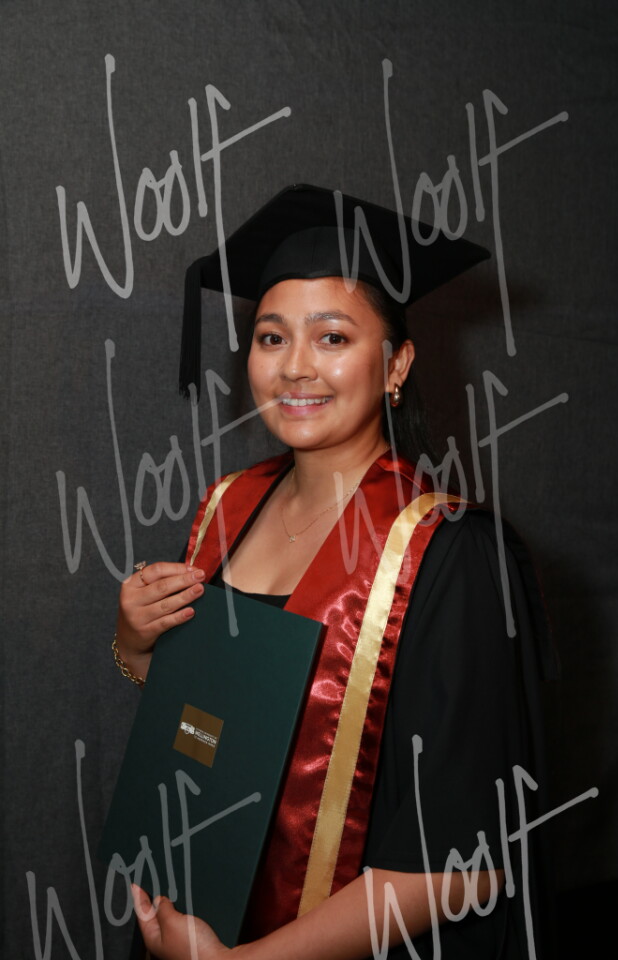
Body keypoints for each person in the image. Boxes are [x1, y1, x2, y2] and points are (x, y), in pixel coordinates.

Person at [113, 186, 556, 960]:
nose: (295, 368)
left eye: (332, 337)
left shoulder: (450, 554)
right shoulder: (227, 508)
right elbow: (226, 722)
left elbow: (468, 861)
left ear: (396, 364)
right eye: (271, 337)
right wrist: (136, 645)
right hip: (199, 917)